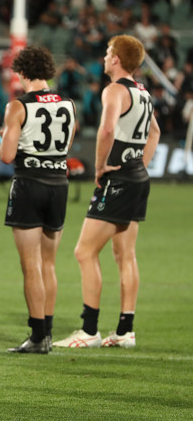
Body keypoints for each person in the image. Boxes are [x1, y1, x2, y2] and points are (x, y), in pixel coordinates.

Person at [54, 35, 161, 349]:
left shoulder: (114, 90)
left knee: (84, 252)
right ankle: (125, 330)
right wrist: (141, 164)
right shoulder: (143, 92)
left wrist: (100, 167)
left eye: (107, 52)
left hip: (118, 179)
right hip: (137, 177)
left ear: (116, 59)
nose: (104, 57)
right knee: (125, 254)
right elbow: (153, 132)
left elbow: (108, 129)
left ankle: (89, 330)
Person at [0, 46, 76, 353]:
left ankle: (37, 335)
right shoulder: (68, 103)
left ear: (21, 72)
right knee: (49, 264)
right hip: (58, 184)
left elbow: (6, 156)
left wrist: (8, 132)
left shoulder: (18, 106)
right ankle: (49, 333)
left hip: (29, 185)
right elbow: (65, 141)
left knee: (30, 266)